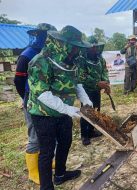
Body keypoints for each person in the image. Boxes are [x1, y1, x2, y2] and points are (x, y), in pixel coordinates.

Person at [27, 25, 93, 190]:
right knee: (47, 151)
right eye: (75, 47)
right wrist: (68, 109)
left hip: (63, 111)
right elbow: (42, 94)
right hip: (43, 113)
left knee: (65, 142)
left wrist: (85, 100)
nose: (78, 51)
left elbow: (76, 83)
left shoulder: (73, 61)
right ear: (64, 44)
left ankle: (60, 175)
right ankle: (47, 187)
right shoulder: (40, 61)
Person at [14, 23, 57, 184]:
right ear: (40, 36)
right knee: (35, 137)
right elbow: (18, 80)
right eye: (45, 36)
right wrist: (25, 99)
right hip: (32, 101)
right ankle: (33, 171)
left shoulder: (49, 54)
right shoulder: (27, 55)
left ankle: (47, 162)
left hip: (48, 100)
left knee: (49, 133)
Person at [77, 36, 110, 146]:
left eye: (96, 47)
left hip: (96, 90)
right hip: (86, 91)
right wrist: (97, 82)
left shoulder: (100, 58)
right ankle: (84, 135)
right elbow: (82, 76)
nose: (95, 49)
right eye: (92, 47)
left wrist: (106, 83)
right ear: (87, 48)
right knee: (86, 111)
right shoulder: (81, 59)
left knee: (96, 110)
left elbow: (104, 70)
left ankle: (92, 131)